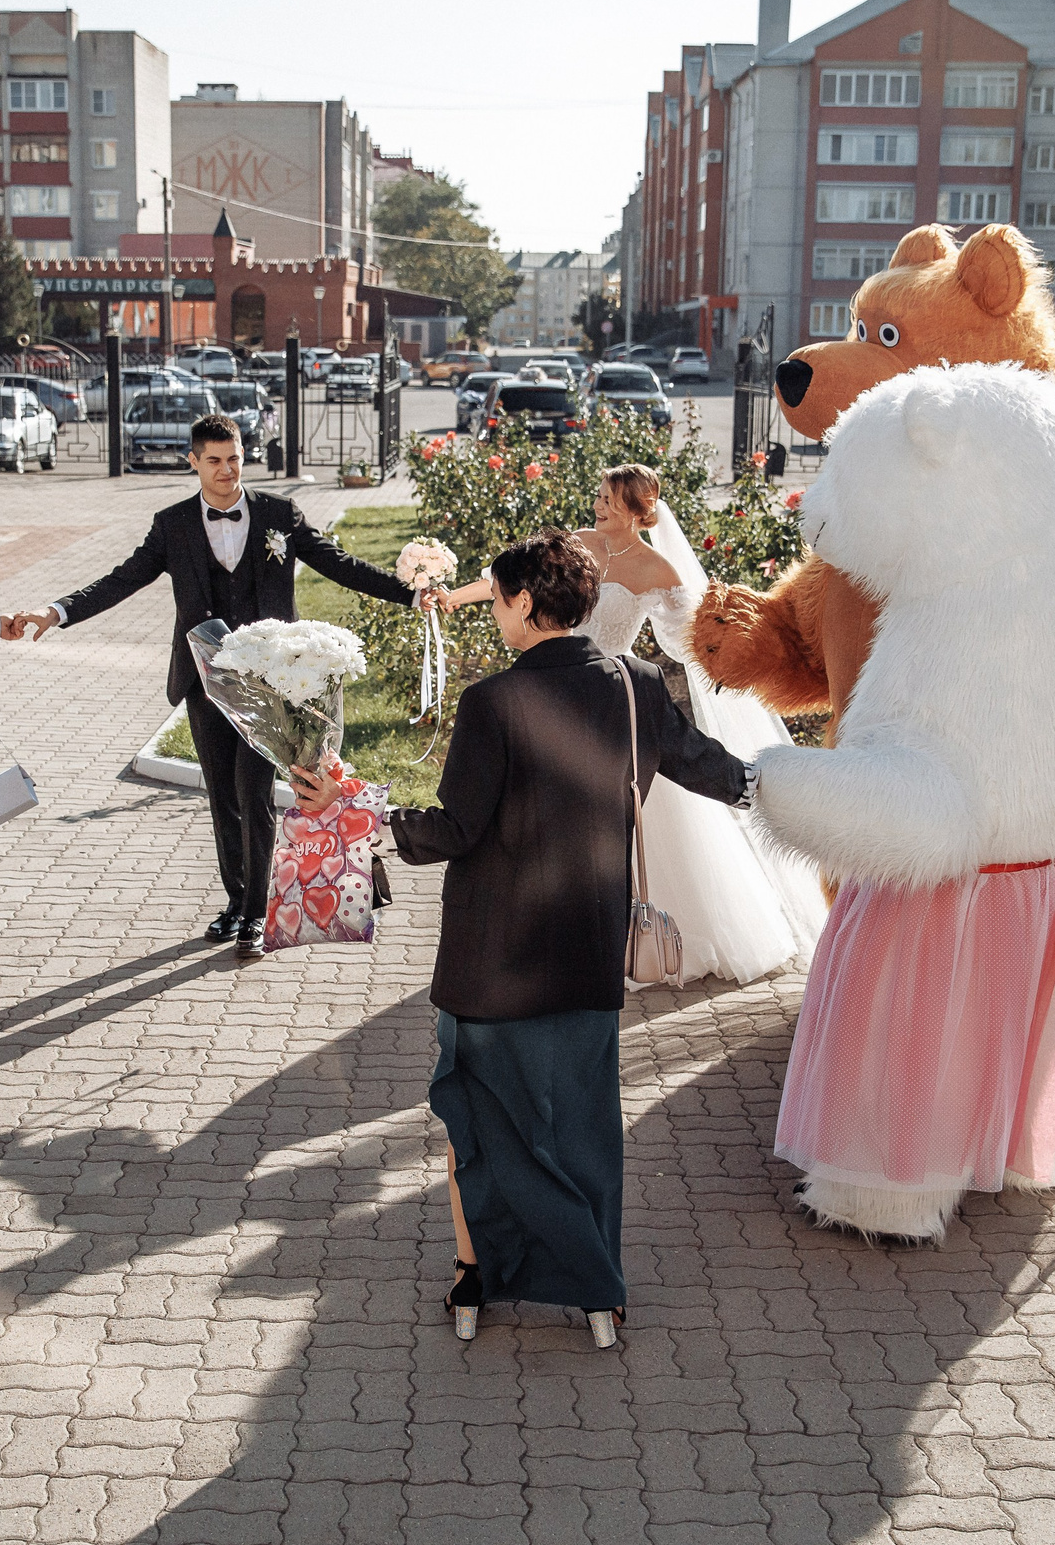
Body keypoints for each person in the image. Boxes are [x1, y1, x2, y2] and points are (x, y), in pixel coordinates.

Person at [295, 529, 754, 1349]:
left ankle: (479, 1276)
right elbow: (706, 764)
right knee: (584, 1123)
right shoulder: (637, 685)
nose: (496, 611)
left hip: (493, 960)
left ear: (526, 604)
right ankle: (598, 1291)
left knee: (480, 1121)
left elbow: (457, 829)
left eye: (500, 598)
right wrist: (783, 789)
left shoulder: (494, 703)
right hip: (586, 949)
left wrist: (355, 806)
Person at [5, 413, 436, 959]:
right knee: (222, 796)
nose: (227, 470)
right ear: (194, 462)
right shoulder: (173, 525)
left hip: (270, 684)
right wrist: (57, 611)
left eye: (234, 459)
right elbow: (122, 579)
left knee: (252, 792)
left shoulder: (279, 515)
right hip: (204, 683)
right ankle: (237, 901)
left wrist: (411, 594)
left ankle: (257, 913)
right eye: (214, 461)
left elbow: (337, 563)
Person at [441, 463, 824, 982]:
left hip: (611, 699)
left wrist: (729, 651)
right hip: (556, 684)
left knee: (644, 821)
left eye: (609, 499)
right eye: (597, 495)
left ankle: (652, 936)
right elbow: (504, 582)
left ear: (637, 510)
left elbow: (685, 635)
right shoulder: (576, 544)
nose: (597, 505)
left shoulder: (658, 571)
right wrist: (450, 598)